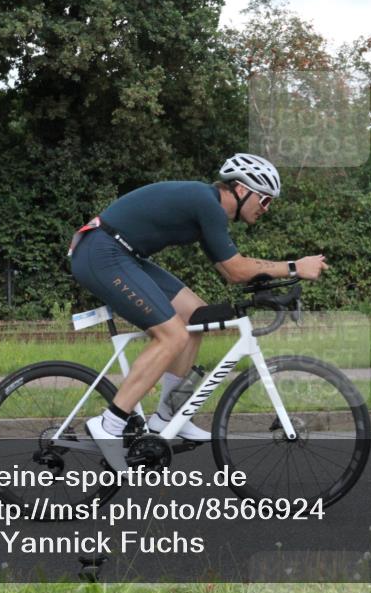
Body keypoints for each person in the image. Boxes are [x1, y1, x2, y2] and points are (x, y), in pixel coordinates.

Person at [68, 154, 328, 471]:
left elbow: (231, 272)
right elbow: (236, 269)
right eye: (264, 199)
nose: (266, 208)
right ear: (241, 189)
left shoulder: (207, 208)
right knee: (172, 335)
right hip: (101, 251)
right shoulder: (207, 203)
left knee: (196, 317)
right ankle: (109, 424)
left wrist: (272, 284)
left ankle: (167, 416)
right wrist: (294, 267)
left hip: (121, 253)